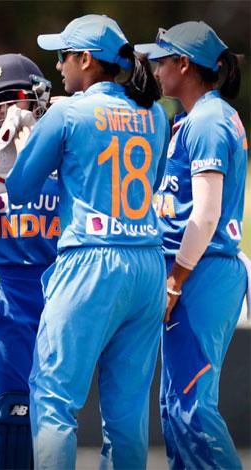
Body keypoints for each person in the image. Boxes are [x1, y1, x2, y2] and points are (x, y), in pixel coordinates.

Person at [5, 14, 168, 469]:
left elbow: (18, 189)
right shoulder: (155, 114)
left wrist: (24, 135)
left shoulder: (67, 112)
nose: (57, 66)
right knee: (127, 414)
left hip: (90, 262)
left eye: (62, 56)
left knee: (54, 397)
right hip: (147, 262)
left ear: (85, 59)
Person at [136, 22, 246, 470]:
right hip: (201, 270)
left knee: (191, 411)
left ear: (185, 65)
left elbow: (206, 214)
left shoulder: (207, 121)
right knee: (177, 410)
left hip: (202, 272)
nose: (156, 70)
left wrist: (176, 279)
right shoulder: (198, 118)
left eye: (162, 61)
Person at [0, 53, 58, 469]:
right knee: (9, 408)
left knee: (54, 408)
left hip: (56, 283)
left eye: (13, 99)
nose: (4, 111)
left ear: (37, 99)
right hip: (4, 286)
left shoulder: (61, 151)